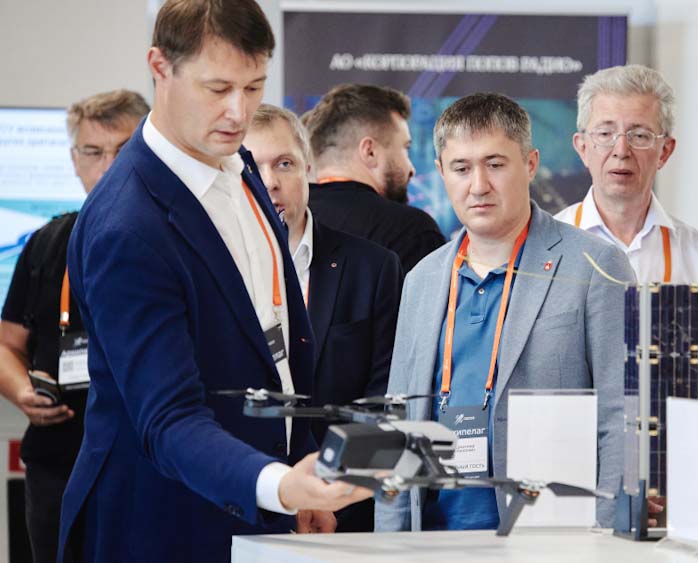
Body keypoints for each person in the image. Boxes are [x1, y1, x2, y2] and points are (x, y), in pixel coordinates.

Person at [57, 2, 369, 561]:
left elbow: (274, 342)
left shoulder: (239, 162)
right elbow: (168, 419)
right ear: (160, 67)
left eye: (253, 87)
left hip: (256, 513)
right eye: (218, 88)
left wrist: (296, 471)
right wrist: (278, 485)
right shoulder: (127, 227)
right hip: (160, 526)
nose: (238, 112)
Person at [375, 92, 633, 532]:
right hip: (432, 538)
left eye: (495, 164)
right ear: (440, 172)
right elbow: (397, 424)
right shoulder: (421, 279)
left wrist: (610, 535)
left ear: (530, 164)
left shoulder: (595, 265)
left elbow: (619, 415)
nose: (478, 185)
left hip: (550, 536)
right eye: (461, 168)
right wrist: (389, 543)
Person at [0, 89, 147, 563]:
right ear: (74, 160)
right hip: (59, 461)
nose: (108, 166)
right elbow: (7, 345)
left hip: (148, 464)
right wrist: (22, 391)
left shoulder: (176, 239)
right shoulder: (47, 242)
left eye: (123, 150)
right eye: (93, 152)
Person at [243, 103, 402, 532]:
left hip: (343, 514)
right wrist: (276, 493)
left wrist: (330, 495)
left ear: (308, 168)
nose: (270, 182)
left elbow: (382, 400)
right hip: (246, 505)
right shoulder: (211, 273)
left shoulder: (372, 268)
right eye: (253, 168)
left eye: (285, 164)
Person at [554, 64, 698, 389]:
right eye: (605, 134)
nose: (621, 151)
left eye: (639, 135)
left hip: (669, 422)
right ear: (582, 147)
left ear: (665, 151)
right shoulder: (548, 245)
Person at [304, 84, 446, 273]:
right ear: (369, 152)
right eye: (405, 148)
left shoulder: (284, 223)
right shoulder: (411, 231)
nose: (411, 169)